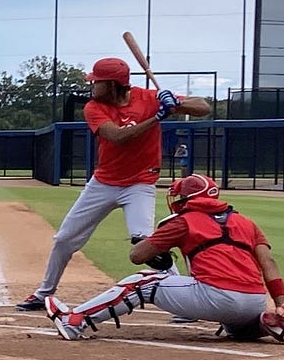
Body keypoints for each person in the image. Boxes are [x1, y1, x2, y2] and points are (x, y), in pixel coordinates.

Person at [15, 57, 211, 311]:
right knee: (65, 239)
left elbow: (203, 107)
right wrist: (157, 117)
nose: (92, 86)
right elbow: (118, 137)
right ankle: (44, 293)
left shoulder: (148, 98)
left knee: (146, 242)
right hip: (103, 183)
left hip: (139, 183)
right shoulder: (94, 107)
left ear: (112, 84)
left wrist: (176, 103)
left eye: (97, 82)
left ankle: (184, 300)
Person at [44, 173, 284, 344]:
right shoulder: (246, 222)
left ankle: (74, 321)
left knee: (142, 282)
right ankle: (263, 324)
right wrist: (281, 303)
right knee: (232, 322)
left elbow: (137, 256)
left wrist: (152, 246)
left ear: (187, 198)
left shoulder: (183, 221)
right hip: (255, 301)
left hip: (216, 297)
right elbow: (268, 263)